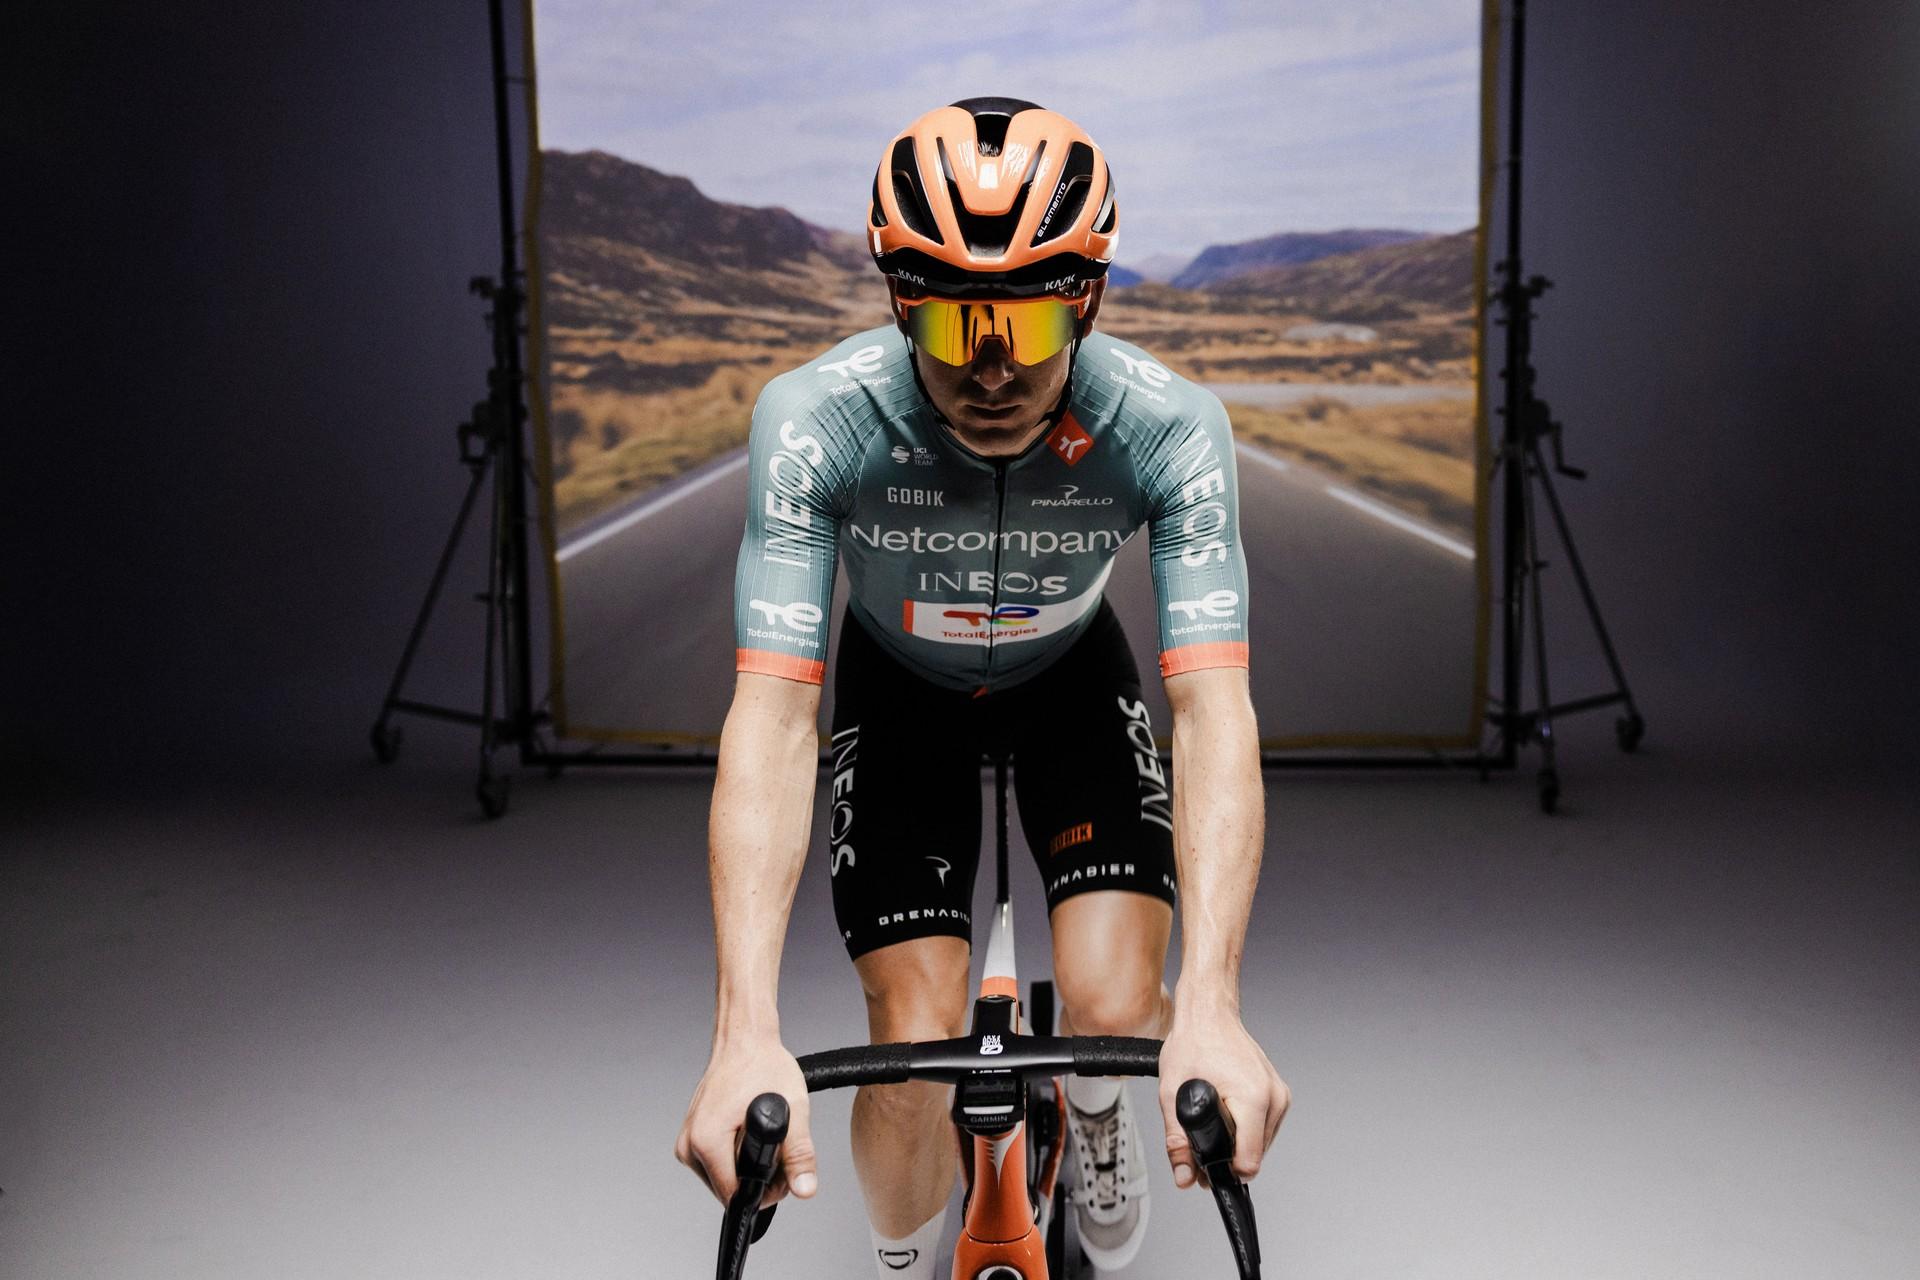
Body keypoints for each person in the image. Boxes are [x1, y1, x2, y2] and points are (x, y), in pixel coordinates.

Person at [675, 97, 1289, 1278]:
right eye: (959, 324)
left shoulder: (1168, 427)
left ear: (1091, 300)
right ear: (902, 301)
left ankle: (1101, 1111)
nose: (996, 367)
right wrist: (743, 1025)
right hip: (899, 692)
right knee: (910, 1044)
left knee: (1120, 1005)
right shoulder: (816, 423)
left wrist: (1209, 1000)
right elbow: (772, 714)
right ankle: (905, 1254)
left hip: (1069, 677)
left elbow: (1215, 712)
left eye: (1033, 318)